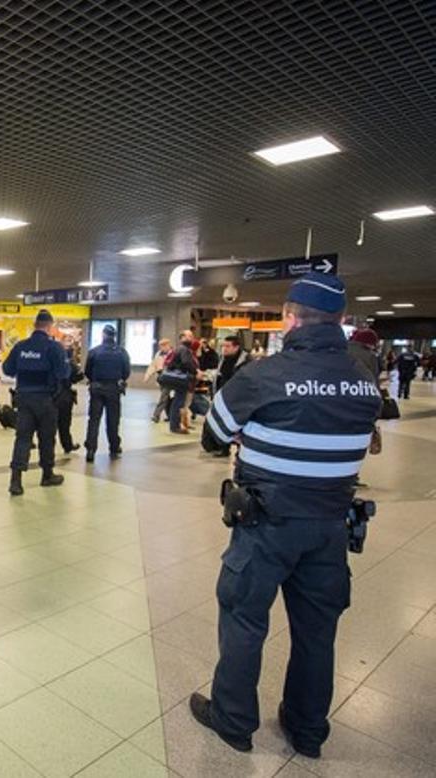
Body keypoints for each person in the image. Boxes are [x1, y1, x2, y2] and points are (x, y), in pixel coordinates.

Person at [190, 272, 381, 760]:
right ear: (339, 320)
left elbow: (213, 434)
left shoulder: (264, 375)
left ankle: (233, 721)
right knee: (318, 631)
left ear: (291, 318)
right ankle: (307, 728)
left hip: (266, 524)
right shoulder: (364, 382)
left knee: (244, 617)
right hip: (330, 526)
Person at [3, 309, 70, 493]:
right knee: (47, 438)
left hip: (23, 399)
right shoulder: (54, 348)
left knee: (22, 439)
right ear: (49, 326)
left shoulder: (21, 346)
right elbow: (63, 373)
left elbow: (7, 369)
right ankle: (47, 475)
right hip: (46, 399)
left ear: (35, 325)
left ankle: (15, 481)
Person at [83, 324, 131, 462]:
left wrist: (94, 380)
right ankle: (114, 446)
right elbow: (126, 371)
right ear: (114, 336)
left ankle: (91, 449)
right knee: (113, 420)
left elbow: (87, 371)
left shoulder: (94, 351)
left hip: (97, 388)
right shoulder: (122, 352)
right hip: (113, 389)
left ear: (103, 335)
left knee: (94, 420)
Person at [210, 336, 251, 458]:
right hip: (223, 394)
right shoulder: (223, 358)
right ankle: (224, 448)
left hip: (239, 397)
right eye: (223, 346)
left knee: (240, 424)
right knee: (225, 422)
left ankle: (241, 450)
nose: (224, 349)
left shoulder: (246, 360)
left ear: (236, 347)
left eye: (227, 346)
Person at [55, 338, 84, 454]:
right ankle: (67, 445)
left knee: (48, 425)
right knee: (65, 423)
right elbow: (78, 376)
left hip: (50, 396)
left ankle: (48, 447)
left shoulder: (47, 361)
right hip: (65, 396)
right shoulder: (68, 362)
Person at [168, 330, 200, 434]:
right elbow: (186, 362)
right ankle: (175, 426)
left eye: (192, 336)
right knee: (179, 402)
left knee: (179, 402)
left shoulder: (184, 349)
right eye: (188, 336)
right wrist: (195, 372)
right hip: (181, 379)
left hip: (181, 378)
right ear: (182, 338)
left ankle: (177, 424)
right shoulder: (184, 349)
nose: (191, 338)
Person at [146, 338, 174, 422]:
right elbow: (153, 365)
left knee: (163, 398)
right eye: (161, 346)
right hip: (161, 378)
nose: (162, 347)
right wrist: (148, 375)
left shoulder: (173, 354)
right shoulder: (158, 354)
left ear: (168, 345)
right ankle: (170, 416)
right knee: (167, 398)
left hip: (169, 378)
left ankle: (156, 415)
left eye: (164, 345)